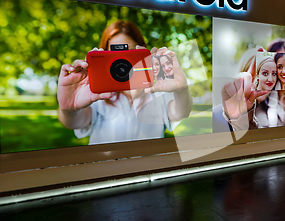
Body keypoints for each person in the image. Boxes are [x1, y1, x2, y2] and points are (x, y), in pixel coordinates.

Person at [57, 20, 192, 145]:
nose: (121, 63)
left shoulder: (157, 90)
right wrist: (68, 110)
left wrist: (181, 90)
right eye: (114, 54)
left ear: (143, 50)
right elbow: (76, 122)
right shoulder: (95, 93)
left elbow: (180, 113)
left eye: (128, 52)